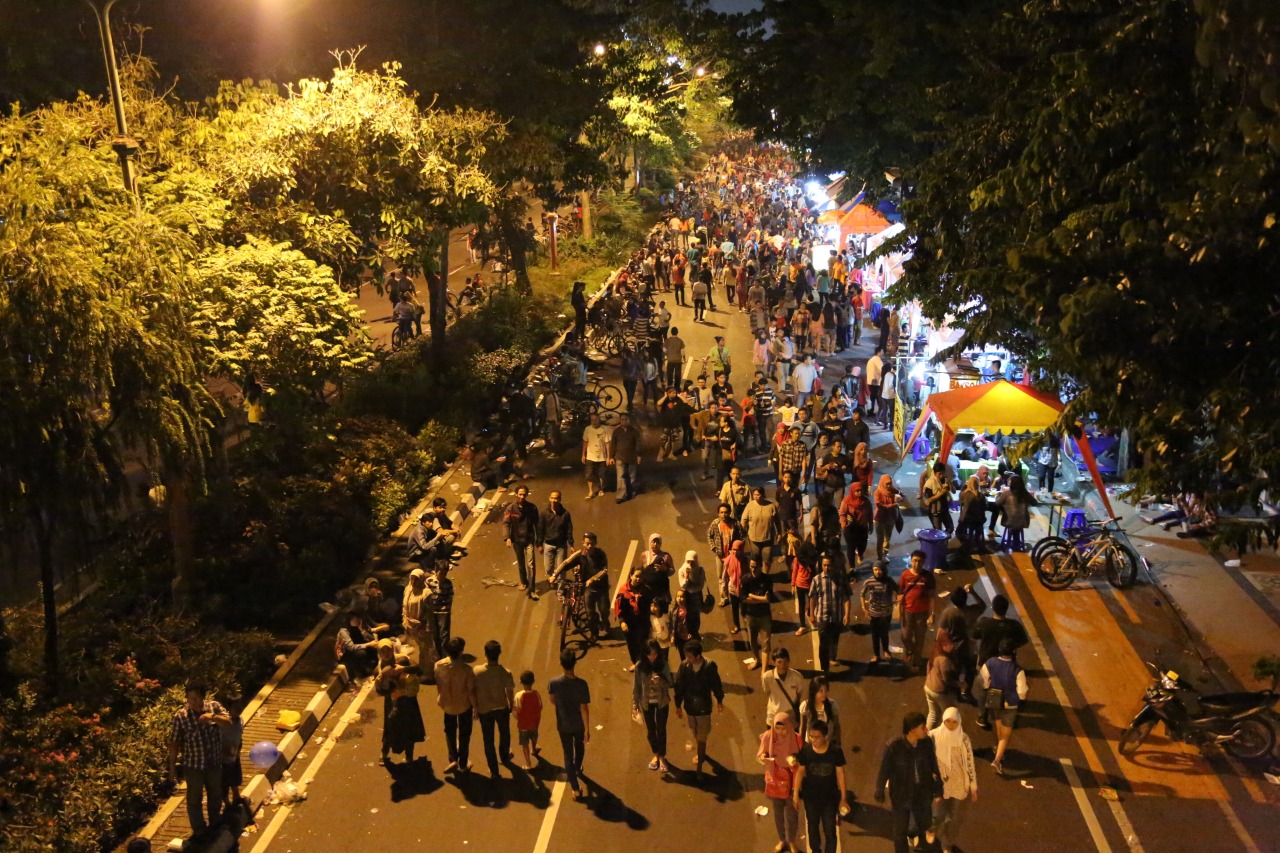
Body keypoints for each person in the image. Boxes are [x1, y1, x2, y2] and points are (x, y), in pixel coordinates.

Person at [874, 712, 944, 853]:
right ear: (912, 729)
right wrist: (879, 789)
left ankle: (916, 837)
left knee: (924, 823)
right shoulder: (894, 747)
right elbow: (884, 769)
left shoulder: (926, 743)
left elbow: (933, 766)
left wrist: (938, 788)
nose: (926, 730)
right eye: (923, 727)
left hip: (922, 793)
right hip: (901, 795)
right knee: (900, 832)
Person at [168, 686, 231, 837]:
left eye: (196, 698)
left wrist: (213, 717)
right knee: (194, 799)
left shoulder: (214, 707)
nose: (193, 702)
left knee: (215, 795)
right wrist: (172, 767)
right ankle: (199, 829)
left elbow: (228, 721)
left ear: (203, 697)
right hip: (193, 766)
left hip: (213, 763)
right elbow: (174, 743)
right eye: (190, 699)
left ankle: (215, 822)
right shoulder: (181, 716)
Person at [792, 718, 849, 853]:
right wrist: (795, 794)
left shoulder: (835, 751)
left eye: (817, 737)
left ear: (825, 736)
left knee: (830, 829)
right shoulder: (806, 751)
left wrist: (843, 798)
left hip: (829, 799)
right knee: (812, 826)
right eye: (811, 736)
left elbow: (840, 774)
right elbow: (800, 772)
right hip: (811, 798)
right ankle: (815, 850)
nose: (813, 740)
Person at [976, 638, 1029, 774]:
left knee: (998, 727)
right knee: (1006, 734)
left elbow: (984, 681)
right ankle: (997, 760)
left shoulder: (990, 663)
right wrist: (1019, 700)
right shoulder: (1018, 670)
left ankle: (998, 748)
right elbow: (1022, 692)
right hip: (1009, 705)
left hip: (994, 701)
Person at [673, 640, 725, 777]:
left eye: (689, 656)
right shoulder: (684, 667)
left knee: (702, 737)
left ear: (698, 656)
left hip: (704, 708)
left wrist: (719, 700)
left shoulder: (709, 666)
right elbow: (679, 687)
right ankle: (701, 753)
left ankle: (700, 767)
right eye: (686, 656)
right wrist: (678, 705)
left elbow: (716, 685)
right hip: (690, 707)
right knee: (695, 732)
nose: (687, 659)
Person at [931, 707, 978, 853]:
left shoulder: (964, 739)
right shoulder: (933, 736)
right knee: (938, 813)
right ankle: (932, 828)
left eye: (954, 722)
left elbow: (969, 761)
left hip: (958, 783)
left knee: (952, 816)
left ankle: (946, 844)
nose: (951, 725)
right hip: (940, 783)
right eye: (947, 721)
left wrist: (973, 785)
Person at [757, 712, 803, 853]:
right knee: (778, 813)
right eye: (778, 728)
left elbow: (803, 762)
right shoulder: (768, 737)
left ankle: (792, 841)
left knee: (792, 814)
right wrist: (764, 756)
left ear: (789, 727)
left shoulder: (796, 739)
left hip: (791, 781)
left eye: (784, 729)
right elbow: (760, 755)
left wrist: (795, 761)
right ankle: (782, 840)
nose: (781, 732)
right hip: (775, 780)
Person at [549, 649, 592, 800]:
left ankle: (575, 788)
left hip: (563, 723)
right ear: (575, 663)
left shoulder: (554, 683)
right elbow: (584, 708)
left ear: (561, 664)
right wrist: (587, 729)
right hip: (578, 724)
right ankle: (578, 766)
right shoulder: (582, 684)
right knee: (579, 748)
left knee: (567, 754)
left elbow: (552, 700)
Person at [434, 636, 478, 774]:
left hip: (447, 704)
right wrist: (475, 708)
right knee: (464, 734)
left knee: (450, 731)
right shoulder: (467, 670)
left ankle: (453, 758)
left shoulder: (438, 665)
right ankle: (463, 763)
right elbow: (470, 692)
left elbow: (439, 685)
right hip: (464, 705)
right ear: (460, 652)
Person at [552, 531, 611, 631]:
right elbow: (566, 563)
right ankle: (594, 633)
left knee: (604, 611)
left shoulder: (601, 554)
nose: (589, 546)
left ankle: (606, 624)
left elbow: (604, 570)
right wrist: (554, 575)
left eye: (592, 543)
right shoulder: (580, 554)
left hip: (601, 588)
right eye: (587, 543)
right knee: (590, 613)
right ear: (583, 543)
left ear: (595, 543)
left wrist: (592, 579)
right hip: (588, 588)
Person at [474, 640, 516, 780]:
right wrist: (510, 704)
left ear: (485, 654)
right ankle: (504, 756)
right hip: (501, 707)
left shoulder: (477, 671)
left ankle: (494, 771)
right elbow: (510, 691)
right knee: (504, 734)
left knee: (488, 740)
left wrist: (475, 708)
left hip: (485, 709)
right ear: (499, 654)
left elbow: (473, 690)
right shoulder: (506, 672)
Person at [633, 639, 675, 773]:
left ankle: (662, 756)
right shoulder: (640, 667)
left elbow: (669, 683)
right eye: (649, 654)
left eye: (655, 654)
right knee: (651, 730)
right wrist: (635, 704)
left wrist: (660, 681)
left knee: (661, 729)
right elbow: (637, 687)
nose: (652, 657)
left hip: (661, 701)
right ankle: (656, 754)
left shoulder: (663, 665)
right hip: (646, 703)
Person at [807, 553, 849, 674]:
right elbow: (812, 598)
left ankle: (832, 657)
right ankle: (825, 669)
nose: (827, 568)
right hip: (823, 617)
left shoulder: (840, 580)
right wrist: (811, 614)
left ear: (834, 566)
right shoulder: (816, 580)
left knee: (835, 640)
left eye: (829, 565)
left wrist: (846, 615)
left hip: (837, 617)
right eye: (824, 565)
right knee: (823, 644)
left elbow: (846, 598)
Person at [380, 653, 426, 764]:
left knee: (409, 731)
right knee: (389, 729)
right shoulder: (386, 670)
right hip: (393, 705)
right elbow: (381, 690)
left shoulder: (410, 677)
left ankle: (409, 756)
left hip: (408, 706)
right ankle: (384, 753)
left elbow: (417, 673)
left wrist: (401, 692)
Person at [899, 550, 937, 672]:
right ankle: (910, 651)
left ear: (924, 562)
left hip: (922, 612)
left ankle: (917, 658)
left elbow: (932, 596)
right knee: (905, 636)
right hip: (907, 611)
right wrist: (900, 612)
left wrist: (932, 614)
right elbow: (900, 593)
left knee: (920, 637)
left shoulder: (928, 577)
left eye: (919, 561)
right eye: (915, 561)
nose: (916, 563)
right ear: (911, 561)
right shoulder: (905, 575)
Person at [502, 485, 541, 600]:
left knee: (531, 564)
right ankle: (524, 582)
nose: (522, 497)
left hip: (529, 540)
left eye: (524, 494)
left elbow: (537, 524)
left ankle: (532, 589)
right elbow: (506, 523)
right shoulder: (510, 509)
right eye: (520, 494)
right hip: (517, 540)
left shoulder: (532, 508)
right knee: (521, 563)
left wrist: (539, 540)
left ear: (527, 495)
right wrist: (507, 537)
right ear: (516, 494)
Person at [740, 553, 776, 671]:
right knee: (752, 641)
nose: (753, 569)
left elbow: (769, 599)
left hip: (764, 615)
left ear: (760, 566)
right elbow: (744, 598)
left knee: (766, 643)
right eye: (751, 566)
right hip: (750, 615)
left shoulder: (767, 579)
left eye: (755, 567)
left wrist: (752, 597)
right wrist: (761, 599)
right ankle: (757, 659)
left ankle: (764, 669)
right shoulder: (746, 579)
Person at [924, 632, 964, 729]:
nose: (949, 647)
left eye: (950, 644)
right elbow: (947, 679)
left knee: (933, 715)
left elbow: (928, 667)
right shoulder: (944, 660)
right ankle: (946, 737)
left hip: (929, 687)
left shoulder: (936, 651)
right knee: (949, 716)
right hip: (940, 691)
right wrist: (960, 685)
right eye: (946, 645)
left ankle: (926, 737)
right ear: (941, 645)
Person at [615, 567, 651, 670]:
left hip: (642, 623)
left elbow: (650, 606)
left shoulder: (646, 590)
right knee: (631, 644)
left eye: (641, 577)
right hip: (629, 623)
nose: (638, 579)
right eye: (636, 576)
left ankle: (642, 662)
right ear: (631, 576)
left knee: (642, 643)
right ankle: (636, 662)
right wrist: (622, 622)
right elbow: (619, 608)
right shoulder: (623, 591)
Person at [761, 647, 805, 728]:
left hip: (791, 716)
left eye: (785, 661)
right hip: (773, 715)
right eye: (779, 662)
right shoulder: (767, 677)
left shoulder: (797, 677)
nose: (782, 665)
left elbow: (800, 694)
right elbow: (768, 692)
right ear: (774, 662)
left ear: (788, 661)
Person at [401, 568, 435, 669]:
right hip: (411, 625)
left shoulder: (426, 593)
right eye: (412, 579)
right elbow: (404, 606)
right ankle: (423, 667)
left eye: (416, 579)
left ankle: (427, 672)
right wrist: (404, 619)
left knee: (425, 649)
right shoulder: (408, 589)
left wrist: (427, 628)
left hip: (421, 627)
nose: (414, 582)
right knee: (421, 647)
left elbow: (430, 613)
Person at [798, 675, 844, 750]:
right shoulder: (805, 706)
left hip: (827, 744)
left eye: (826, 691)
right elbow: (802, 727)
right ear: (814, 691)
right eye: (821, 691)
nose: (824, 694)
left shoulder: (832, 705)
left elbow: (836, 726)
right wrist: (801, 746)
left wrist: (838, 744)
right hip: (810, 744)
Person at [741, 486, 780, 569]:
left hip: (768, 538)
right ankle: (757, 577)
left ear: (763, 495)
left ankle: (765, 576)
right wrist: (742, 533)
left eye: (758, 495)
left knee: (767, 560)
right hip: (754, 539)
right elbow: (743, 520)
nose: (756, 497)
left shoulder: (771, 506)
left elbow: (777, 521)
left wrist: (779, 533)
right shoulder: (750, 506)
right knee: (756, 560)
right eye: (754, 495)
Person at [838, 480, 874, 571]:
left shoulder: (866, 502)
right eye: (857, 491)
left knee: (862, 545)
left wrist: (871, 525)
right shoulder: (846, 501)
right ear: (852, 491)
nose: (859, 492)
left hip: (862, 527)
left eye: (861, 490)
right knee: (851, 547)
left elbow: (870, 514)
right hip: (850, 528)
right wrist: (844, 525)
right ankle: (852, 566)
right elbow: (842, 514)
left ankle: (860, 554)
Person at [995, 475, 1036, 551]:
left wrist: (997, 496)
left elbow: (997, 503)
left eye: (1009, 481)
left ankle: (1014, 543)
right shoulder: (1025, 494)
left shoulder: (1006, 494)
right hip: (1023, 521)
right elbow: (1035, 503)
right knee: (1016, 525)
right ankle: (1016, 543)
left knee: (1013, 522)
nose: (1008, 482)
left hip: (1009, 521)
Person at [539, 490, 574, 578]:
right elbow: (540, 529)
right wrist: (539, 544)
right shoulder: (544, 513)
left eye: (556, 498)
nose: (554, 500)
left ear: (560, 499)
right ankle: (553, 578)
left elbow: (569, 529)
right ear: (549, 498)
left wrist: (571, 544)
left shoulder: (565, 514)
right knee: (548, 569)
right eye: (552, 498)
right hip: (548, 544)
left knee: (561, 569)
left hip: (561, 545)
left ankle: (560, 588)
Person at [608, 411, 642, 503]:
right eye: (622, 419)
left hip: (631, 457)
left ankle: (631, 492)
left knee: (632, 477)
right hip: (619, 457)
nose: (624, 421)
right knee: (620, 477)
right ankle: (620, 496)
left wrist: (639, 455)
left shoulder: (634, 431)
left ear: (629, 420)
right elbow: (613, 444)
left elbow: (638, 444)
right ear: (620, 420)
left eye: (626, 419)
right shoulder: (616, 431)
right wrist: (611, 456)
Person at [335, 611, 379, 679]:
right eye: (354, 619)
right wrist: (368, 644)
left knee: (373, 648)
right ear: (349, 620)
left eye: (357, 619)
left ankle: (375, 667)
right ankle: (362, 672)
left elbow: (370, 638)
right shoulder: (344, 631)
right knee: (361, 653)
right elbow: (352, 647)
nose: (357, 621)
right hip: (345, 654)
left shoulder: (358, 627)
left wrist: (362, 630)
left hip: (357, 647)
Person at [514, 670, 543, 770]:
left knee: (524, 743)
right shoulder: (537, 694)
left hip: (523, 726)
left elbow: (515, 712)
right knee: (534, 737)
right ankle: (534, 750)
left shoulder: (519, 695)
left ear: (521, 682)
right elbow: (540, 706)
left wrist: (519, 718)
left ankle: (528, 764)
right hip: (534, 723)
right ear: (533, 681)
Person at [581, 411, 611, 500]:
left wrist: (609, 457)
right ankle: (590, 491)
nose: (593, 422)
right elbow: (585, 442)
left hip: (602, 456)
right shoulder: (587, 429)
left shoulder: (604, 429)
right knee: (589, 475)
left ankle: (601, 488)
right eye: (592, 420)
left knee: (601, 474)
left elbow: (607, 443)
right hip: (590, 456)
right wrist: (583, 454)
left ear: (599, 420)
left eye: (595, 420)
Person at [874, 475, 904, 561]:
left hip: (890, 518)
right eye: (887, 484)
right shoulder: (878, 492)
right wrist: (893, 505)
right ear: (882, 483)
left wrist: (900, 498)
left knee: (887, 538)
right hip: (880, 519)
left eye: (890, 484)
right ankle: (879, 557)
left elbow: (903, 497)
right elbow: (879, 506)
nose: (888, 486)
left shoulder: (893, 490)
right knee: (880, 539)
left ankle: (884, 555)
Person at [922, 462, 955, 534]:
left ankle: (945, 541)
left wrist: (950, 483)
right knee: (937, 532)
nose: (941, 476)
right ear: (934, 472)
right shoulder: (929, 483)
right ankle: (940, 544)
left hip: (944, 509)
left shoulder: (944, 479)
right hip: (934, 512)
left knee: (950, 528)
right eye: (939, 474)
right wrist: (941, 493)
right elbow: (929, 500)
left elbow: (954, 491)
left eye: (943, 473)